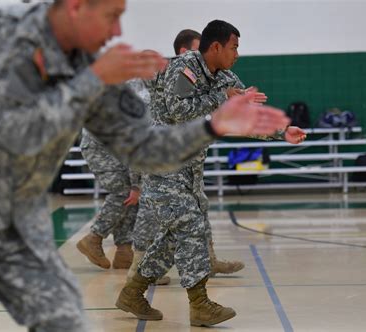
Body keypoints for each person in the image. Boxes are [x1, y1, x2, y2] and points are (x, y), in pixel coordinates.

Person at [0, 1, 290, 330]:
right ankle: (187, 299)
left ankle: (133, 291)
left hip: (15, 217)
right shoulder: (0, 33)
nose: (118, 30)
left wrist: (239, 125)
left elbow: (141, 140)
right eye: (112, 15)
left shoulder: (91, 64)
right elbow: (16, 129)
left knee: (63, 314)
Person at [116, 20, 305, 327]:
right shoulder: (185, 66)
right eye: (234, 47)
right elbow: (178, 110)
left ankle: (133, 293)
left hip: (190, 170)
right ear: (215, 47)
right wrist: (223, 98)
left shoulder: (227, 78)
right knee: (191, 224)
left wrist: (282, 132)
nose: (237, 54)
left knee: (172, 239)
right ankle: (199, 304)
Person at [76, 74, 154, 270]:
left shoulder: (145, 89)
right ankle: (94, 238)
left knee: (129, 192)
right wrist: (137, 186)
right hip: (99, 144)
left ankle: (124, 251)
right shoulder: (146, 99)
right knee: (123, 192)